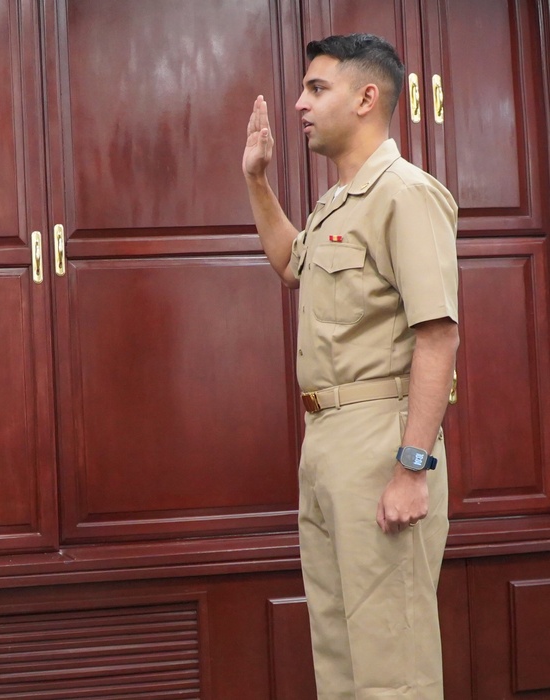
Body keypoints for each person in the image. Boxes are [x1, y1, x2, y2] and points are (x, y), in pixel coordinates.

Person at [242, 34, 459, 698]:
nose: (301, 104)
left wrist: (411, 468)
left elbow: (439, 336)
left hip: (379, 439)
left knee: (391, 666)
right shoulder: (340, 201)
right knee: (341, 659)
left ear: (367, 98)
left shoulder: (405, 194)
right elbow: (290, 265)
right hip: (327, 441)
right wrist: (256, 179)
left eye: (317, 89)